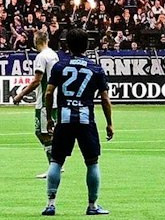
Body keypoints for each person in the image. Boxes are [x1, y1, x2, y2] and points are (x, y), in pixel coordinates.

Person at [41, 29, 113, 217]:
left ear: (67, 46)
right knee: (92, 162)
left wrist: (49, 117)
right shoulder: (95, 68)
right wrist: (109, 123)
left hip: (64, 118)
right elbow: (105, 99)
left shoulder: (59, 66)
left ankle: (50, 204)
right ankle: (92, 205)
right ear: (87, 45)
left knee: (56, 161)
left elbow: (49, 93)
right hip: (85, 119)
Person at [14, 30, 61, 179]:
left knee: (42, 132)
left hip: (45, 101)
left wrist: (20, 95)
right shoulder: (54, 54)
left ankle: (54, 166)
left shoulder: (41, 57)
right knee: (49, 132)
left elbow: (36, 81)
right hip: (55, 99)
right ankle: (57, 163)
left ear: (37, 41)